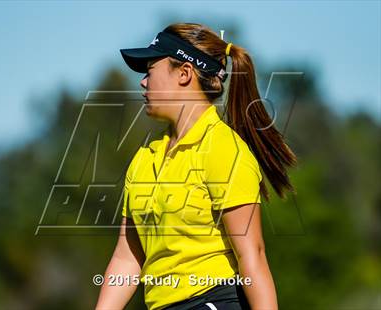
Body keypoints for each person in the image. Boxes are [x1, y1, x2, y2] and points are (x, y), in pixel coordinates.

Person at [95, 23, 297, 310]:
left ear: (185, 74)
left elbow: (252, 256)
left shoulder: (223, 149)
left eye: (150, 70)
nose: (142, 82)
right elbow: (127, 258)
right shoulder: (143, 160)